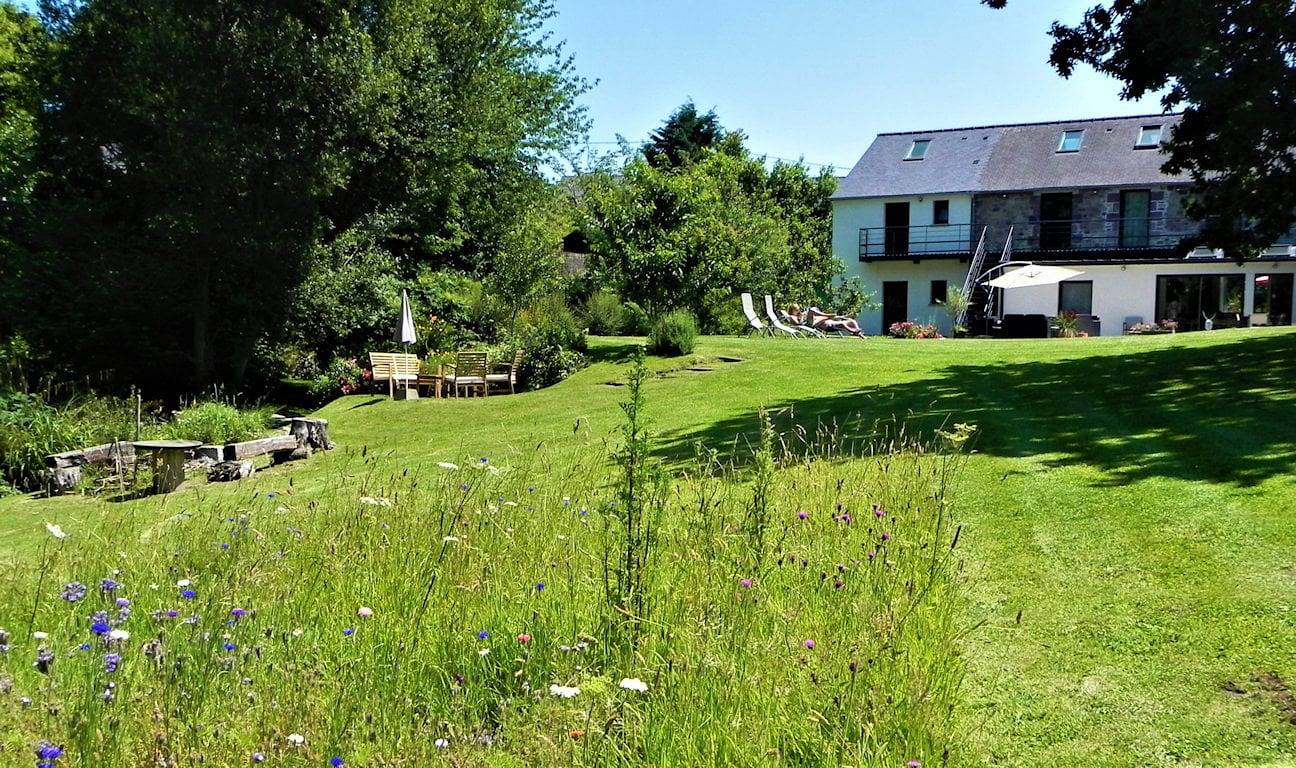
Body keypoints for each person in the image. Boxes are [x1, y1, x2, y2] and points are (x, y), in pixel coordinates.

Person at [787, 304, 866, 338]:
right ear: (791, 310)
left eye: (798, 309)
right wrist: (801, 317)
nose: (798, 311)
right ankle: (828, 315)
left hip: (822, 322)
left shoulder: (799, 314)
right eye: (795, 310)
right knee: (811, 310)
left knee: (851, 321)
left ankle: (857, 331)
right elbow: (798, 324)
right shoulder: (792, 316)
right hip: (810, 324)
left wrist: (804, 314)